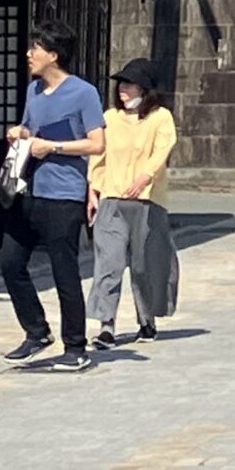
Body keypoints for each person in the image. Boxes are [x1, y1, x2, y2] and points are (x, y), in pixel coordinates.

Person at [0, 23, 107, 372]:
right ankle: (36, 331)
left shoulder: (84, 93)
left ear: (54, 55)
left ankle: (75, 346)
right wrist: (21, 133)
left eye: (36, 48)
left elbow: (96, 143)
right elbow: (33, 131)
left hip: (64, 194)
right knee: (11, 262)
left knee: (64, 272)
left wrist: (54, 147)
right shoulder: (33, 90)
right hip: (29, 189)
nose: (29, 54)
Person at [87, 58, 178, 347]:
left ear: (145, 87)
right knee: (109, 262)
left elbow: (163, 148)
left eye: (129, 83)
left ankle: (146, 320)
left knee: (144, 265)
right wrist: (93, 189)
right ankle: (106, 325)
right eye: (121, 83)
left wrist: (145, 175)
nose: (123, 88)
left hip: (148, 201)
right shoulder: (110, 118)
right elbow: (98, 155)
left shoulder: (160, 117)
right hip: (112, 199)